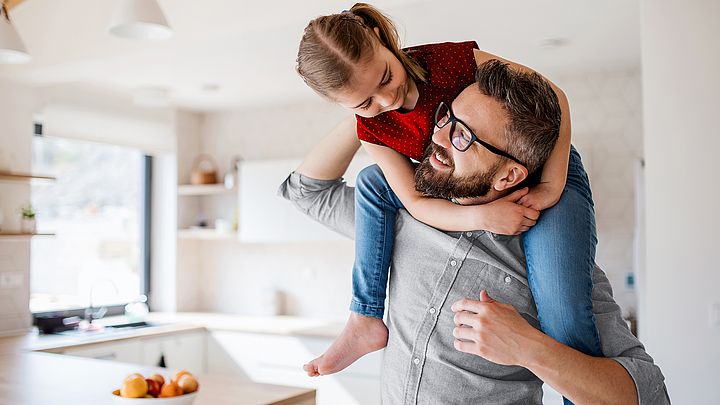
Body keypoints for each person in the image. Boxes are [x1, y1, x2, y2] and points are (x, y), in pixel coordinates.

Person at [279, 61, 670, 404]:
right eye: (447, 117)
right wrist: (371, 102)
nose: (438, 137)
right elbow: (305, 192)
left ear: (510, 175)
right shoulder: (397, 221)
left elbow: (649, 396)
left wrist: (529, 348)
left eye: (463, 137)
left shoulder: (555, 267)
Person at [295, 1, 601, 390]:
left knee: (564, 316)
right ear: (341, 106)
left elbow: (553, 95)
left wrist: (552, 185)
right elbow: (417, 203)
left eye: (386, 78)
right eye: (364, 102)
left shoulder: (448, 61)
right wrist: (481, 218)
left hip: (548, 160)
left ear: (379, 38)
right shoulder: (371, 128)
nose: (386, 101)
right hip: (467, 184)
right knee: (374, 182)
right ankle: (365, 316)